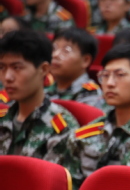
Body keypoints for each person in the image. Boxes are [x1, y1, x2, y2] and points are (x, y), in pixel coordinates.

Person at [63, 44, 130, 190]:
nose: (110, 83)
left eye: (120, 75)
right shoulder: (88, 132)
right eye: (105, 75)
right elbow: (69, 189)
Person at [0, 30, 78, 161]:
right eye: (2, 68)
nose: (7, 77)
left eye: (17, 67)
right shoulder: (3, 117)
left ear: (44, 69)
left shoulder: (61, 128)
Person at [45, 28, 104, 110]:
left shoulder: (90, 94)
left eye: (66, 51)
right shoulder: (44, 89)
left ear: (85, 60)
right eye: (54, 49)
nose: (55, 55)